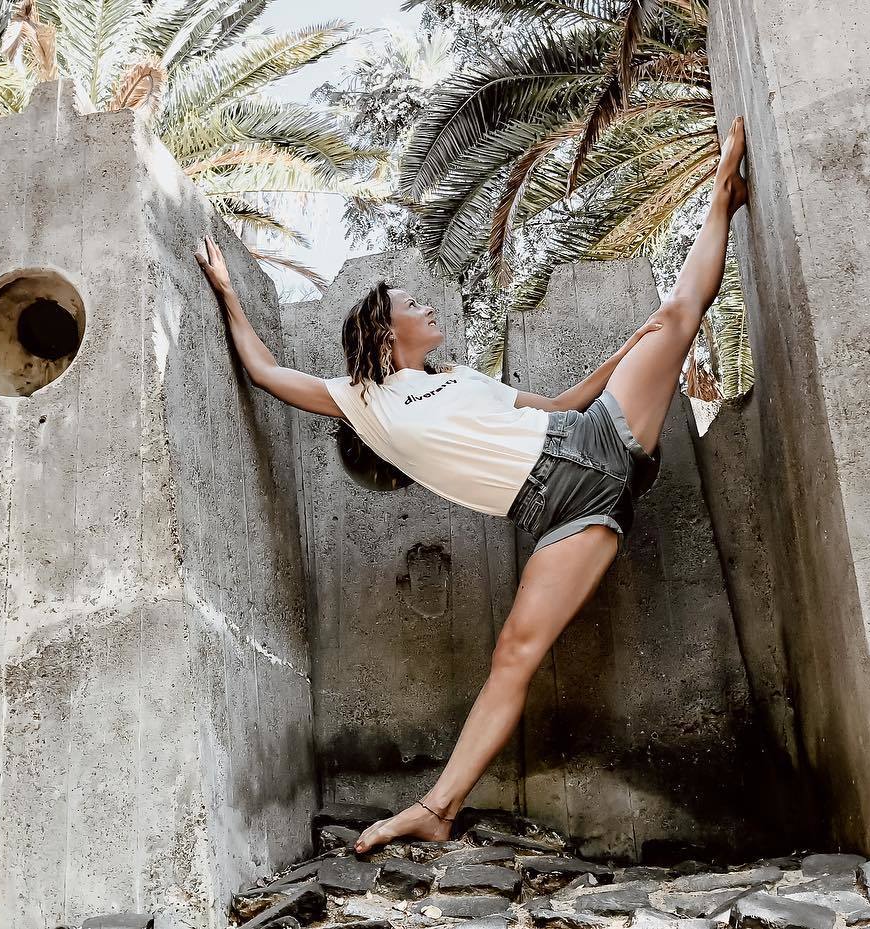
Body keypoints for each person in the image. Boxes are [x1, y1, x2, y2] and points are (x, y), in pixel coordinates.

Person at [195, 116, 749, 855]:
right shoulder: (361, 400)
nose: (426, 308)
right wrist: (227, 291)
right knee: (513, 657)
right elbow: (266, 371)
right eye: (411, 303)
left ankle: (722, 198)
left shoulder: (460, 377)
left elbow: (558, 405)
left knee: (675, 314)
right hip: (559, 511)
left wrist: (630, 346)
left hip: (588, 441)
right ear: (385, 330)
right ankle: (436, 808)